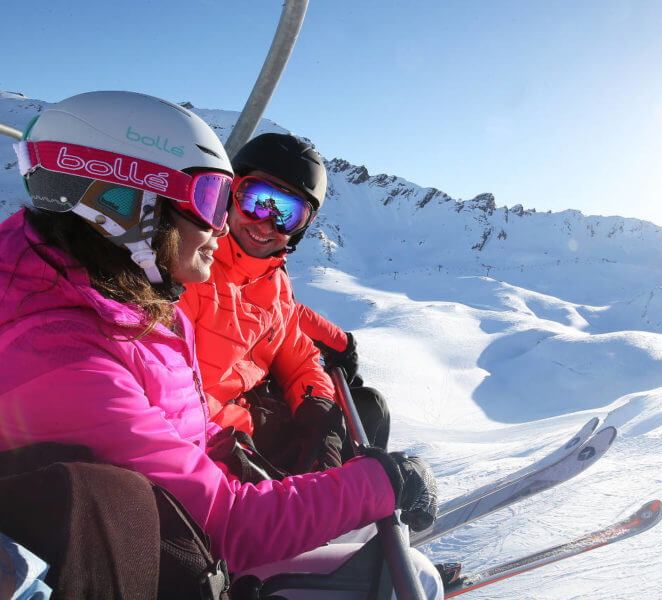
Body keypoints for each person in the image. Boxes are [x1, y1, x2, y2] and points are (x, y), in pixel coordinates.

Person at [0, 91, 440, 598]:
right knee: (410, 574)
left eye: (287, 214)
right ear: (128, 203)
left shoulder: (133, 303)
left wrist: (317, 397)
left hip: (202, 497)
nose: (222, 225)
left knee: (359, 411)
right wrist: (379, 483)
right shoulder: (74, 356)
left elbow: (283, 328)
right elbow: (226, 520)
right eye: (218, 199)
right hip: (198, 545)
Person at [178, 132, 389, 475]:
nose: (266, 222)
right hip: (210, 440)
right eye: (257, 200)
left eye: (286, 213)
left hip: (245, 410)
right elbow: (174, 398)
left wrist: (317, 410)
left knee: (367, 407)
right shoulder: (191, 269)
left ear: (302, 227)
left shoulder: (273, 278)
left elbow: (296, 347)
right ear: (230, 193)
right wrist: (253, 430)